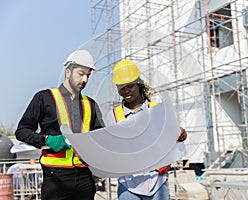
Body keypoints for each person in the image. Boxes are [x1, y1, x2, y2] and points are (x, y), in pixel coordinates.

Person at [15, 50, 105, 200]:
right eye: (81, 73)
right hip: (56, 177)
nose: (84, 80)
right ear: (68, 72)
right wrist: (46, 140)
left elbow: (101, 137)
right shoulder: (44, 98)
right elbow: (22, 131)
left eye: (88, 75)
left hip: (84, 177)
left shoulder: (91, 104)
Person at [107, 59, 187, 200]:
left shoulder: (157, 109)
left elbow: (173, 136)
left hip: (157, 181)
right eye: (122, 88)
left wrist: (181, 133)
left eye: (130, 86)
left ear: (138, 84)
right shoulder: (113, 116)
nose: (126, 91)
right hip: (128, 185)